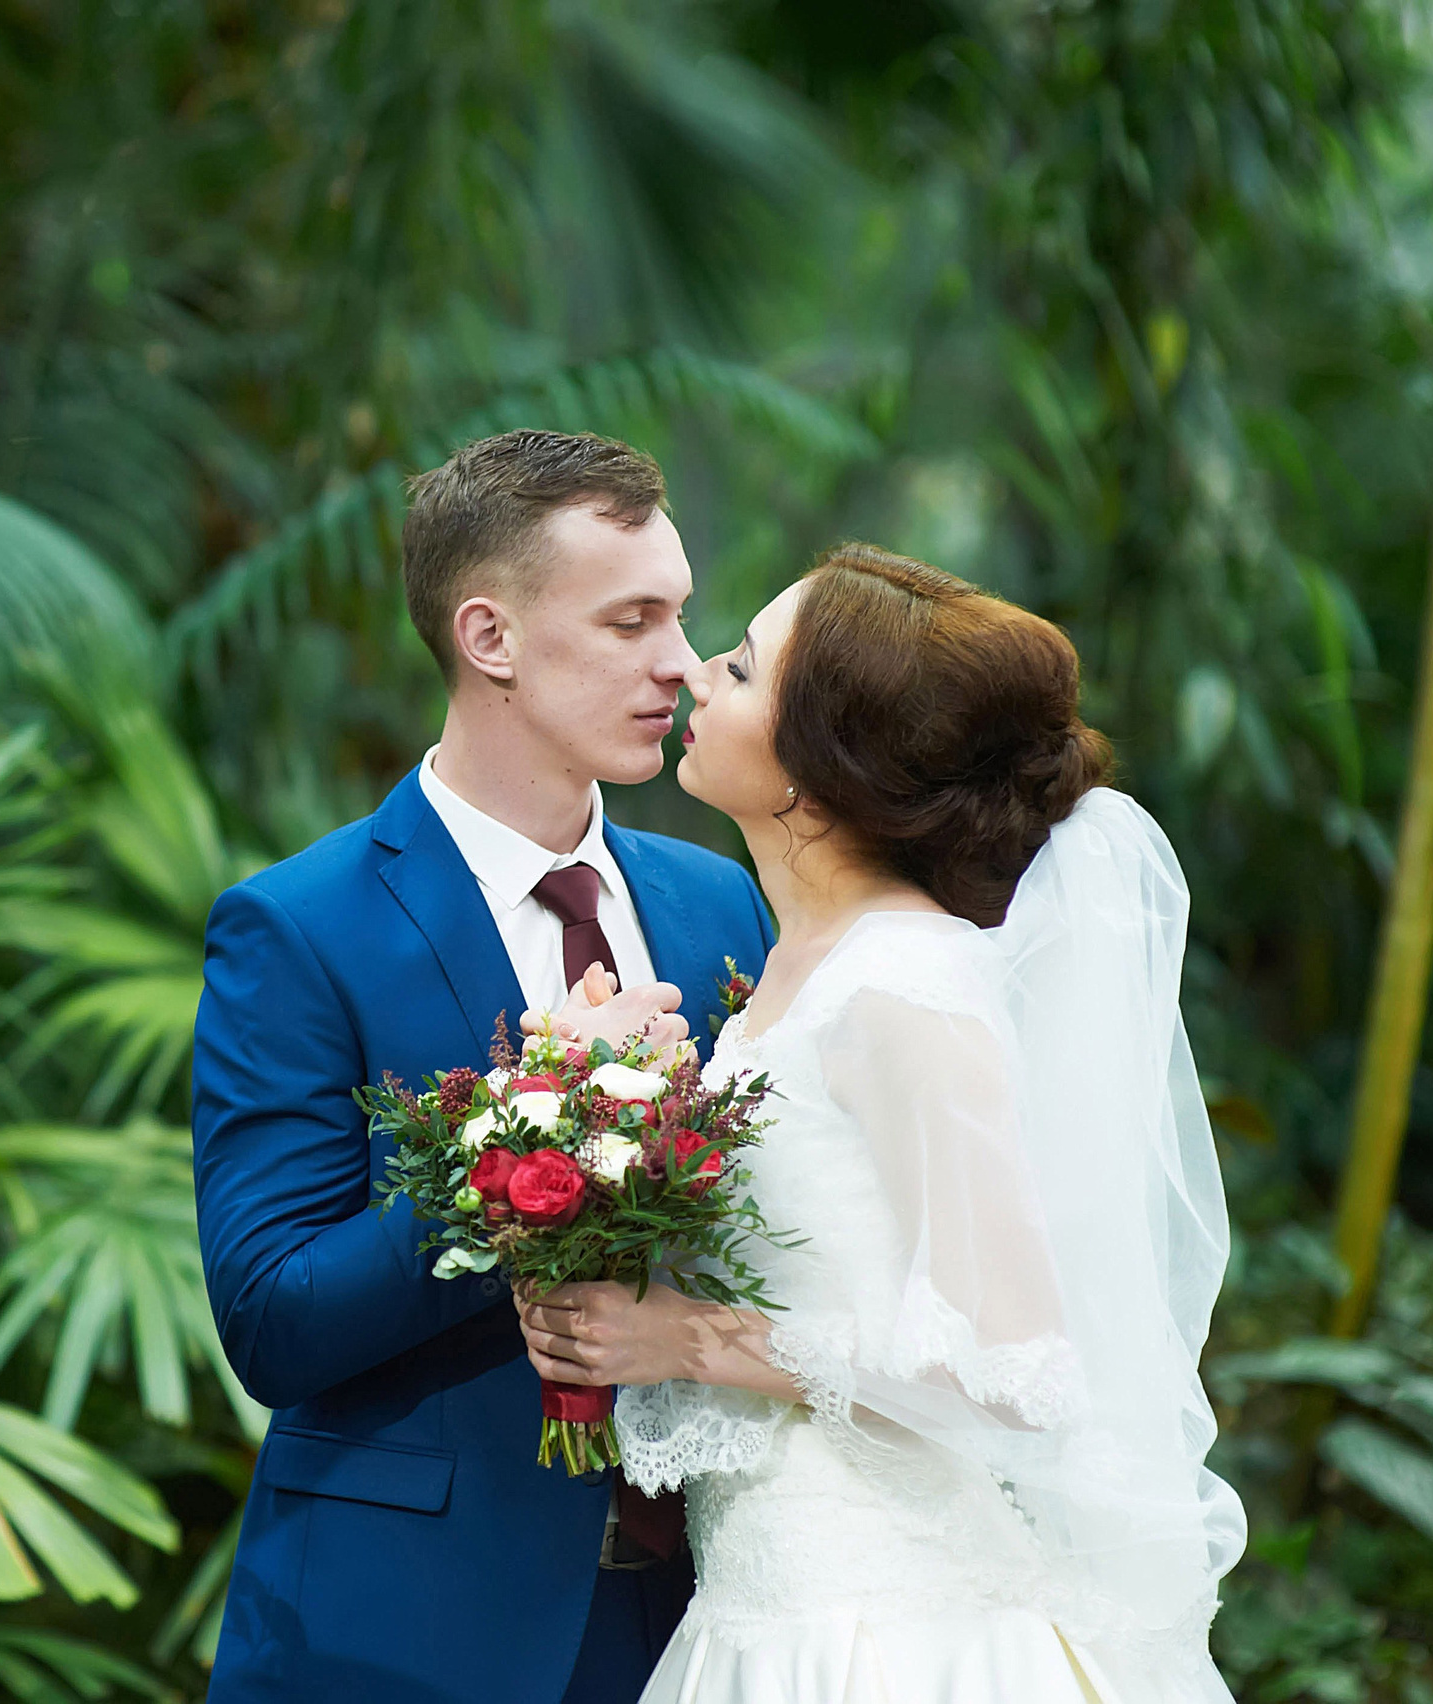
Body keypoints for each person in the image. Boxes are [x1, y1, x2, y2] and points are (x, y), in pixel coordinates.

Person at [514, 544, 1246, 1703]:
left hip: (881, 1633)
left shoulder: (904, 988)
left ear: (815, 769)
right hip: (766, 1603)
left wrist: (686, 1340)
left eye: (742, 669)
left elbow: (1014, 1371)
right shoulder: (796, 971)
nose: (699, 675)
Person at [192, 430, 777, 1703]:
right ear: (489, 638)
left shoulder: (724, 902)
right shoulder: (300, 927)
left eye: (679, 617)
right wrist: (545, 1128)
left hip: (716, 1622)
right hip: (408, 1633)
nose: (678, 663)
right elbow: (272, 1319)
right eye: (631, 621)